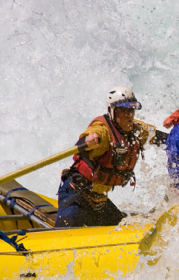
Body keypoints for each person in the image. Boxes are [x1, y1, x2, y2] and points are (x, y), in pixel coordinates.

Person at [56, 86, 153, 228]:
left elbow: (164, 139)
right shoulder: (102, 130)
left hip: (99, 202)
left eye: (131, 110)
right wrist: (88, 141)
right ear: (112, 111)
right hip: (75, 196)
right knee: (64, 232)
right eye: (124, 111)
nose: (129, 115)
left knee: (123, 229)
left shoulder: (135, 130)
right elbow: (83, 142)